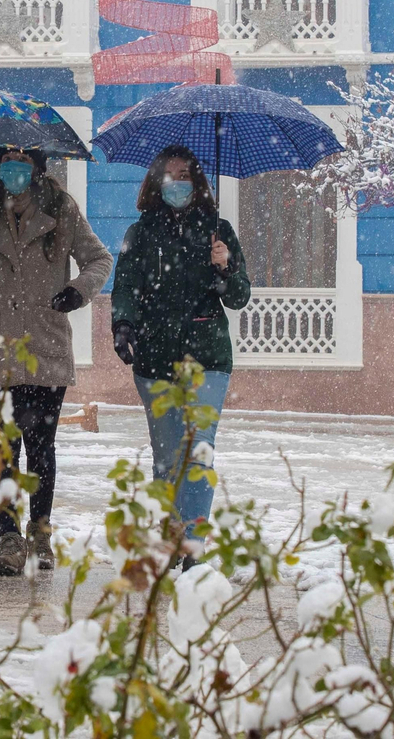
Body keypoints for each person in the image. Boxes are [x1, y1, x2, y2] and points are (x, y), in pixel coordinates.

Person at [0, 147, 112, 577]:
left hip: (44, 347)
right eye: (7, 161)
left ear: (38, 167)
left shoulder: (62, 209)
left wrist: (77, 291)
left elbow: (99, 259)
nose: (13, 169)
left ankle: (40, 534)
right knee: (3, 447)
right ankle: (9, 539)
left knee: (41, 447)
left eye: (22, 162)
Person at [110, 145, 250, 555]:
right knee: (168, 457)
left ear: (197, 182)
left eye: (184, 175)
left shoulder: (218, 231)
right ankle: (172, 537)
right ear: (158, 182)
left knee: (199, 450)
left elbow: (239, 297)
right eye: (170, 175)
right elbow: (125, 287)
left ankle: (194, 545)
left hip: (207, 356)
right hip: (155, 357)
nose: (177, 183)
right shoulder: (140, 233)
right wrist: (123, 325)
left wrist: (225, 267)